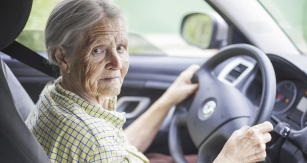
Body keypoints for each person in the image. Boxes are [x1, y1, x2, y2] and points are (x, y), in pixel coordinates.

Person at [26, 0, 273, 162]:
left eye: (121, 47)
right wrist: (230, 158)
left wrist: (167, 100)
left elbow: (119, 148)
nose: (117, 63)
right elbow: (100, 147)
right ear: (62, 57)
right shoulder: (94, 141)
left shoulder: (56, 96)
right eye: (98, 50)